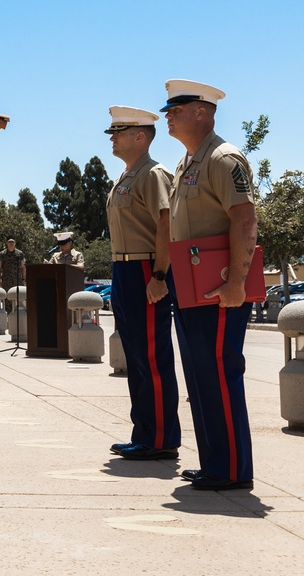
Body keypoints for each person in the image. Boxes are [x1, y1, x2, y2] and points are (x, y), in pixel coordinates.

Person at [162, 79, 256, 491]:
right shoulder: (187, 163)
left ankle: (232, 468)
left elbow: (244, 219)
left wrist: (237, 281)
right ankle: (215, 462)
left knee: (219, 372)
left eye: (176, 108)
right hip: (191, 285)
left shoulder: (223, 158)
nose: (168, 115)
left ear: (202, 111)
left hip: (218, 287)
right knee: (201, 375)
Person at [103, 106, 180, 460]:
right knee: (136, 356)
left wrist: (160, 275)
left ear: (140, 136)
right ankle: (144, 432)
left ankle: (161, 438)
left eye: (119, 132)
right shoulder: (126, 175)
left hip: (145, 269)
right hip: (123, 270)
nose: (112, 138)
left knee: (151, 355)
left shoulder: (152, 174)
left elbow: (165, 225)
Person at [0, 238, 26, 311]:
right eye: (9, 242)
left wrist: (23, 279)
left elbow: (23, 267)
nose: (11, 243)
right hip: (6, 279)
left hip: (17, 279)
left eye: (12, 242)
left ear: (15, 243)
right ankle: (8, 315)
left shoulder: (19, 254)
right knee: (7, 298)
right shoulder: (2, 254)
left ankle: (18, 315)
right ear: (6, 243)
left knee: (19, 297)